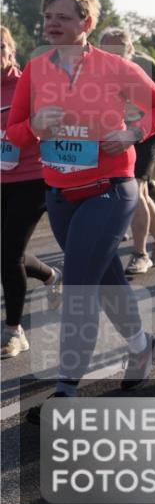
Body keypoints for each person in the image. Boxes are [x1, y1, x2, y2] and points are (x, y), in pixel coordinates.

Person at [7, 0, 155, 417]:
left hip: (110, 189)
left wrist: (133, 133)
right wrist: (35, 124)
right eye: (48, 17)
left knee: (80, 282)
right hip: (61, 194)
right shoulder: (36, 69)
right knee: (105, 280)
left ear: (87, 24)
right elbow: (16, 132)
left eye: (62, 16)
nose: (52, 24)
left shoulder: (115, 68)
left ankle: (65, 389)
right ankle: (142, 345)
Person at [2, 26, 62, 359]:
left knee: (8, 256)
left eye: (0, 48)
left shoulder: (29, 85)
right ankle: (52, 274)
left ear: (11, 51)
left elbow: (53, 124)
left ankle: (14, 331)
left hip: (30, 178)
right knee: (6, 253)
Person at [98, 28, 155, 274]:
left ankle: (140, 253)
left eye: (119, 53)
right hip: (119, 135)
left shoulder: (145, 65)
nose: (114, 58)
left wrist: (140, 129)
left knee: (136, 190)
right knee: (138, 192)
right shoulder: (96, 69)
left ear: (130, 51)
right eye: (108, 53)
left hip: (148, 133)